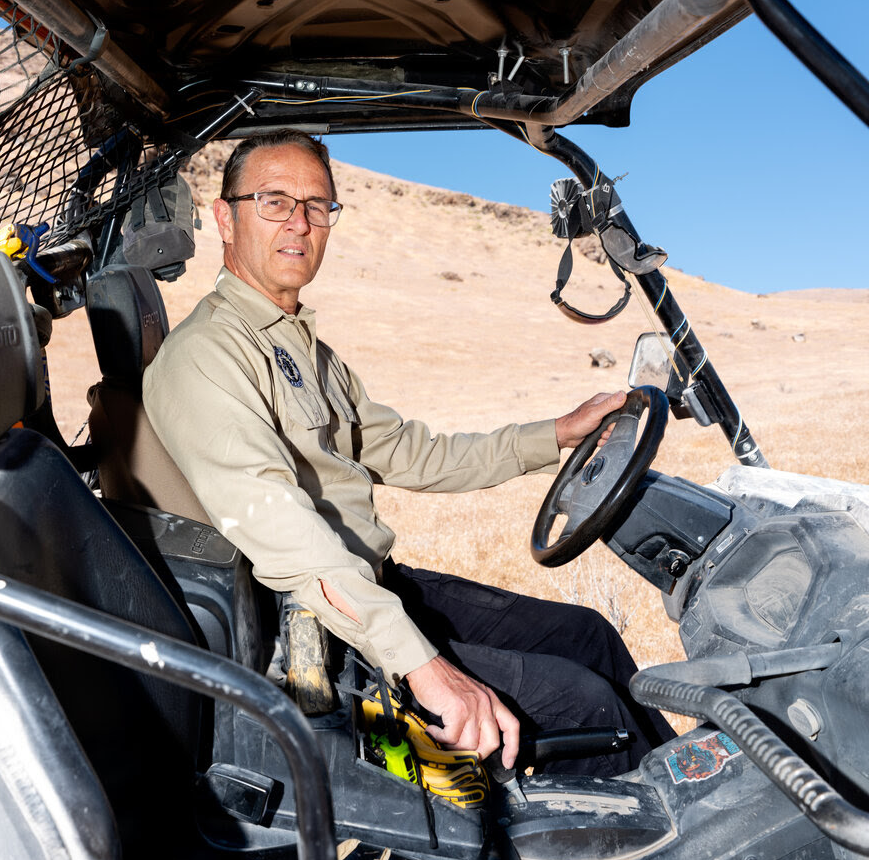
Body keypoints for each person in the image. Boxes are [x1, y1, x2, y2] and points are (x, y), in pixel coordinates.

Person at [143, 130, 674, 776]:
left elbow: (407, 452)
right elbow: (287, 540)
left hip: (375, 586)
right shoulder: (207, 356)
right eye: (275, 201)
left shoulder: (303, 348)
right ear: (225, 216)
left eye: (318, 205)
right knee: (585, 706)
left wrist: (556, 434)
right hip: (326, 631)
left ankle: (691, 787)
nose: (300, 223)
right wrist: (424, 668)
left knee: (587, 635)